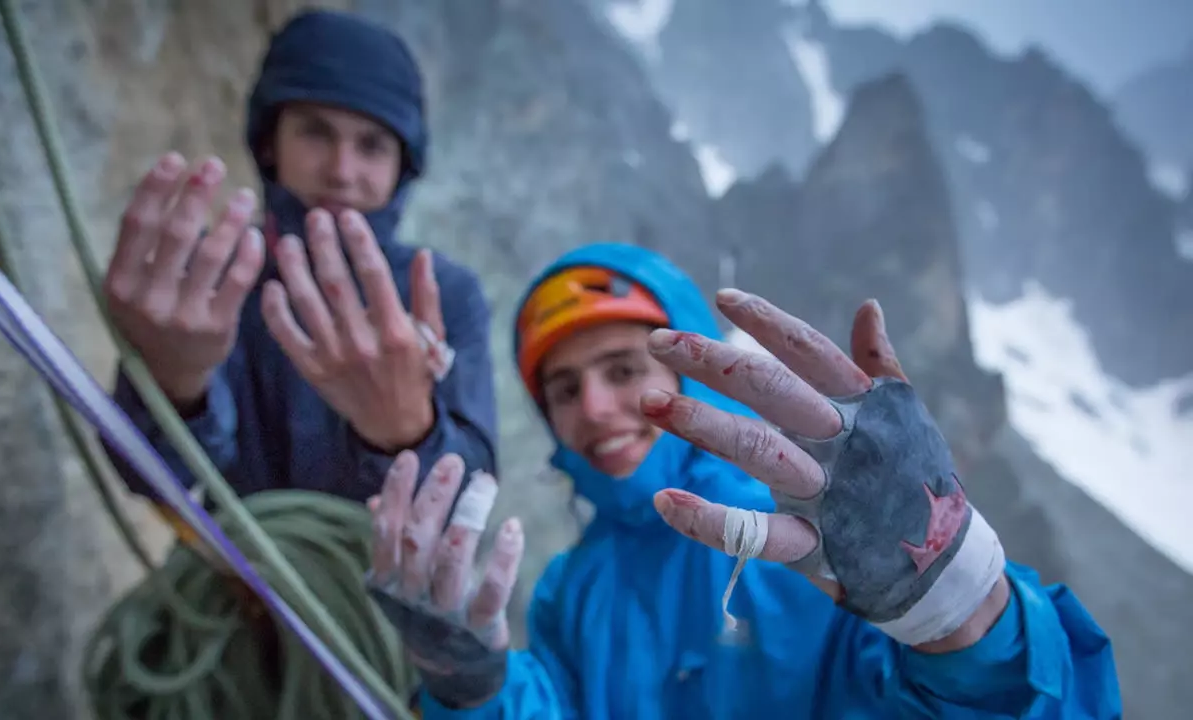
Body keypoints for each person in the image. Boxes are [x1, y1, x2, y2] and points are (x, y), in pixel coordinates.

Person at [361, 242, 1122, 718]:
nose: (592, 408)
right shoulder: (570, 589)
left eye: (623, 370)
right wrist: (472, 690)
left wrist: (958, 608)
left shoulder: (815, 543)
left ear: (693, 371)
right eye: (563, 389)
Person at [99, 10, 497, 520]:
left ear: (403, 165)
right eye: (315, 132)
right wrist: (176, 380)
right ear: (270, 142)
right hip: (239, 569)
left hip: (380, 577)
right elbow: (146, 476)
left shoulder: (446, 293)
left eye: (371, 145)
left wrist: (406, 432)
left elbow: (473, 500)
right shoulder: (214, 280)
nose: (341, 170)